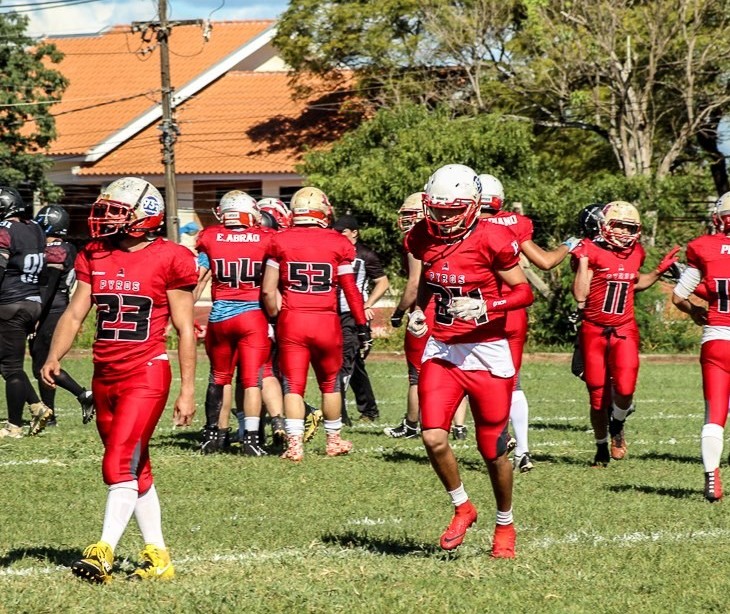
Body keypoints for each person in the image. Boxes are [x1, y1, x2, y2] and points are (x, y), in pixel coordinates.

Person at [41, 177, 198, 583]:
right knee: (135, 467)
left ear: (146, 215)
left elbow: (184, 329)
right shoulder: (95, 253)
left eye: (116, 210)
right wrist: (54, 354)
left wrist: (187, 389)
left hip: (146, 371)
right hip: (105, 374)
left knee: (117, 463)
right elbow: (76, 314)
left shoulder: (172, 257)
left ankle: (102, 551)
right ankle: (158, 556)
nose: (105, 217)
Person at [406, 164, 535, 557]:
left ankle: (505, 523)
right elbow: (430, 282)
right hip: (443, 347)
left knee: (492, 450)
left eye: (452, 210)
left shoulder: (493, 238)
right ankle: (463, 505)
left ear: (474, 205)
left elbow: (523, 292)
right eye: (437, 209)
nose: (443, 217)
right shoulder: (420, 236)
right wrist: (419, 310)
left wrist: (485, 305)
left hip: (487, 349)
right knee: (432, 435)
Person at [478, 173, 580, 472]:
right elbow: (546, 262)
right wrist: (568, 244)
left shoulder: (465, 226)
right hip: (512, 310)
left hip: (478, 309)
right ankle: (522, 450)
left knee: (474, 378)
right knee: (512, 380)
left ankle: (495, 437)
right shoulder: (514, 223)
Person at [261, 187, 369, 462]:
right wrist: (361, 324)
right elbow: (350, 289)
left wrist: (275, 316)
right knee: (330, 383)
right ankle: (333, 440)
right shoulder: (338, 242)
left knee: (293, 385)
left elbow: (267, 291)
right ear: (324, 211)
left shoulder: (279, 240)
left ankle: (295, 445)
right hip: (326, 321)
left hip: (293, 319)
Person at [571, 201, 678, 466]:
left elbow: (634, 282)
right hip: (593, 330)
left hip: (624, 329)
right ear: (605, 226)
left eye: (629, 228)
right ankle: (600, 448)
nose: (623, 232)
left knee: (626, 388)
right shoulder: (590, 251)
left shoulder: (636, 252)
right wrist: (583, 259)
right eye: (618, 225)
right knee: (597, 397)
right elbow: (580, 294)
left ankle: (617, 424)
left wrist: (658, 271)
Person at [195, 190, 278, 456]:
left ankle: (214, 435)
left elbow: (197, 282)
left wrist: (183, 317)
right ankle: (251, 440)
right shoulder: (266, 238)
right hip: (252, 315)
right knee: (252, 380)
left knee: (220, 378)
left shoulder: (210, 237)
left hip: (219, 316)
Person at [671, 192, 730, 501]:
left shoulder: (703, 248)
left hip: (716, 338)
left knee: (715, 414)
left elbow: (679, 296)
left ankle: (712, 477)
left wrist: (696, 311)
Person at [31, 204, 94, 426]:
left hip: (52, 308)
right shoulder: (63, 247)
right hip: (54, 306)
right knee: (40, 364)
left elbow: (49, 286)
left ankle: (80, 397)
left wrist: (39, 312)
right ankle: (51, 413)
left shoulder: (57, 249)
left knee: (45, 365)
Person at [0, 186, 53, 439]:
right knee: (5, 362)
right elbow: (43, 275)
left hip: (10, 302)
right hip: (33, 302)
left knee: (11, 367)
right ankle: (36, 405)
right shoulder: (35, 229)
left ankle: (13, 426)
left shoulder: (5, 232)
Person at [332, 214, 388, 423]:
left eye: (342, 232)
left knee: (345, 361)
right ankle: (369, 409)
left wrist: (367, 304)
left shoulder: (365, 255)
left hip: (354, 313)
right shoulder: (333, 250)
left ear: (354, 233)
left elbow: (382, 282)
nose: (337, 235)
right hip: (332, 311)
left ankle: (339, 412)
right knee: (354, 363)